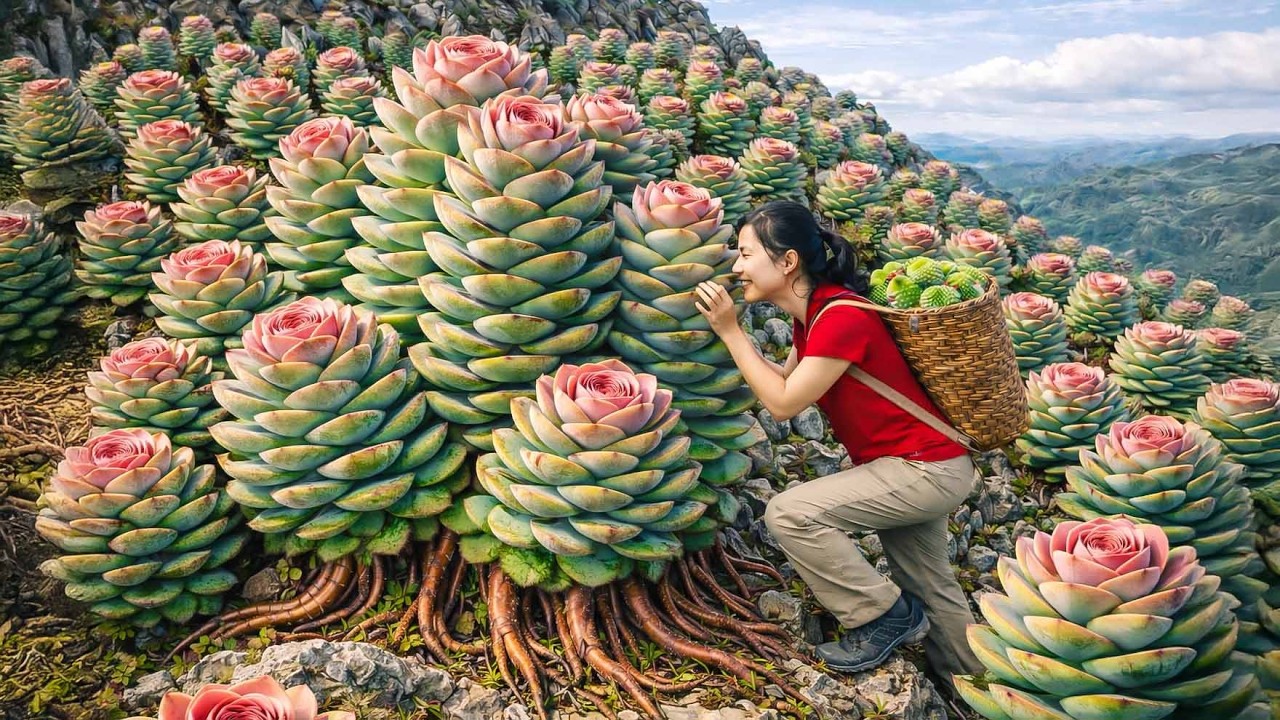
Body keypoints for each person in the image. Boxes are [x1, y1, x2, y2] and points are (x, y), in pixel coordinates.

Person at [692, 201, 984, 682]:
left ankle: (881, 616)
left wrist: (730, 331)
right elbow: (783, 383)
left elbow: (784, 404)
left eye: (745, 254)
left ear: (788, 261)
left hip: (922, 470)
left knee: (790, 514)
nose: (737, 268)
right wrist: (735, 339)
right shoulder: (816, 316)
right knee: (930, 585)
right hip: (925, 465)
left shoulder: (840, 318)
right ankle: (973, 688)